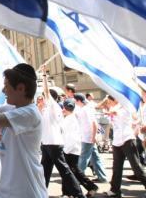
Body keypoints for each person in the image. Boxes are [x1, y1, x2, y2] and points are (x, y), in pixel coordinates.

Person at [0, 64, 47, 198]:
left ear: (20, 88)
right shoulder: (10, 109)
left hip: (27, 192)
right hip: (7, 191)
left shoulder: (30, 113)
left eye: (6, 85)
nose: (3, 90)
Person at [39, 67, 84, 198]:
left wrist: (44, 76)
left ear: (50, 98)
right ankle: (41, 193)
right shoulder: (46, 109)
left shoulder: (53, 106)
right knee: (44, 171)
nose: (41, 98)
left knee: (65, 171)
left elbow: (47, 92)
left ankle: (79, 194)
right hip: (46, 144)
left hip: (54, 144)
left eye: (43, 96)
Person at [104, 95, 146, 197]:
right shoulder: (113, 108)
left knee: (135, 165)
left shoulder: (125, 106)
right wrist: (109, 110)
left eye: (109, 101)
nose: (108, 103)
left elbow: (133, 117)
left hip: (127, 139)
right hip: (117, 140)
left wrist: (113, 112)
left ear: (116, 99)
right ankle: (115, 190)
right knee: (116, 167)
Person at [62, 98, 98, 197]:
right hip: (70, 148)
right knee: (69, 171)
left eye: (65, 108)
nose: (64, 110)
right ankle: (67, 192)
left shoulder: (71, 119)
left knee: (72, 171)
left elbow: (71, 137)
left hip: (70, 149)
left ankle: (91, 187)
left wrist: (66, 149)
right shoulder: (70, 118)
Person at [75, 93, 108, 182]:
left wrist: (93, 137)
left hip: (88, 137)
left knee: (83, 159)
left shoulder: (86, 109)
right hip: (87, 137)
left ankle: (78, 178)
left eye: (75, 101)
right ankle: (102, 177)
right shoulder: (84, 109)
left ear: (78, 101)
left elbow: (94, 123)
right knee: (95, 158)